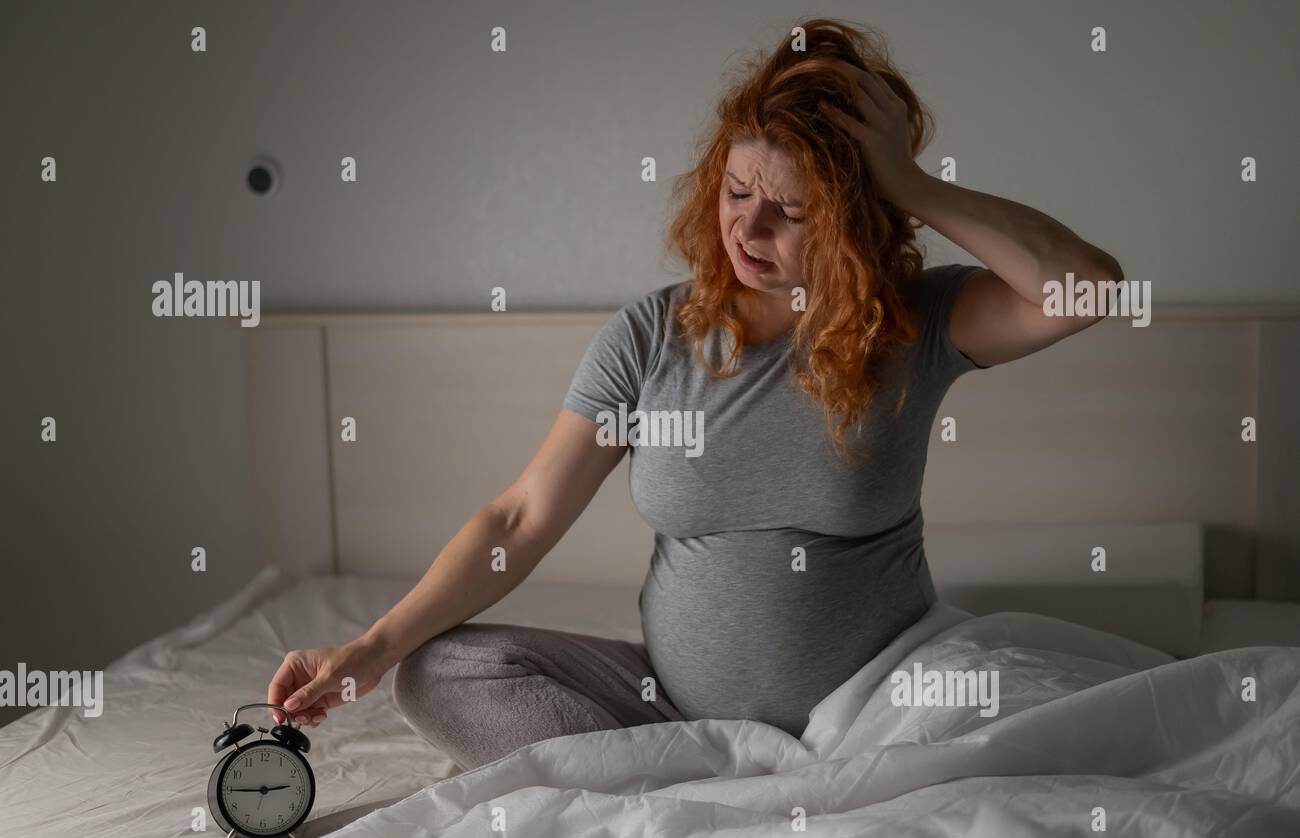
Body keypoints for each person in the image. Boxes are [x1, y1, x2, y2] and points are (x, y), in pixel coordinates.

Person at [267, 18, 1122, 772]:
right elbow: (519, 519)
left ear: (860, 215)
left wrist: (913, 184)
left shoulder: (916, 324)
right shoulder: (650, 337)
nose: (749, 230)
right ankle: (704, 785)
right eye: (738, 193)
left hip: (881, 712)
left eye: (791, 211)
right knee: (435, 671)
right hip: (672, 710)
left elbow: (1088, 289)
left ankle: (684, 791)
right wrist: (369, 649)